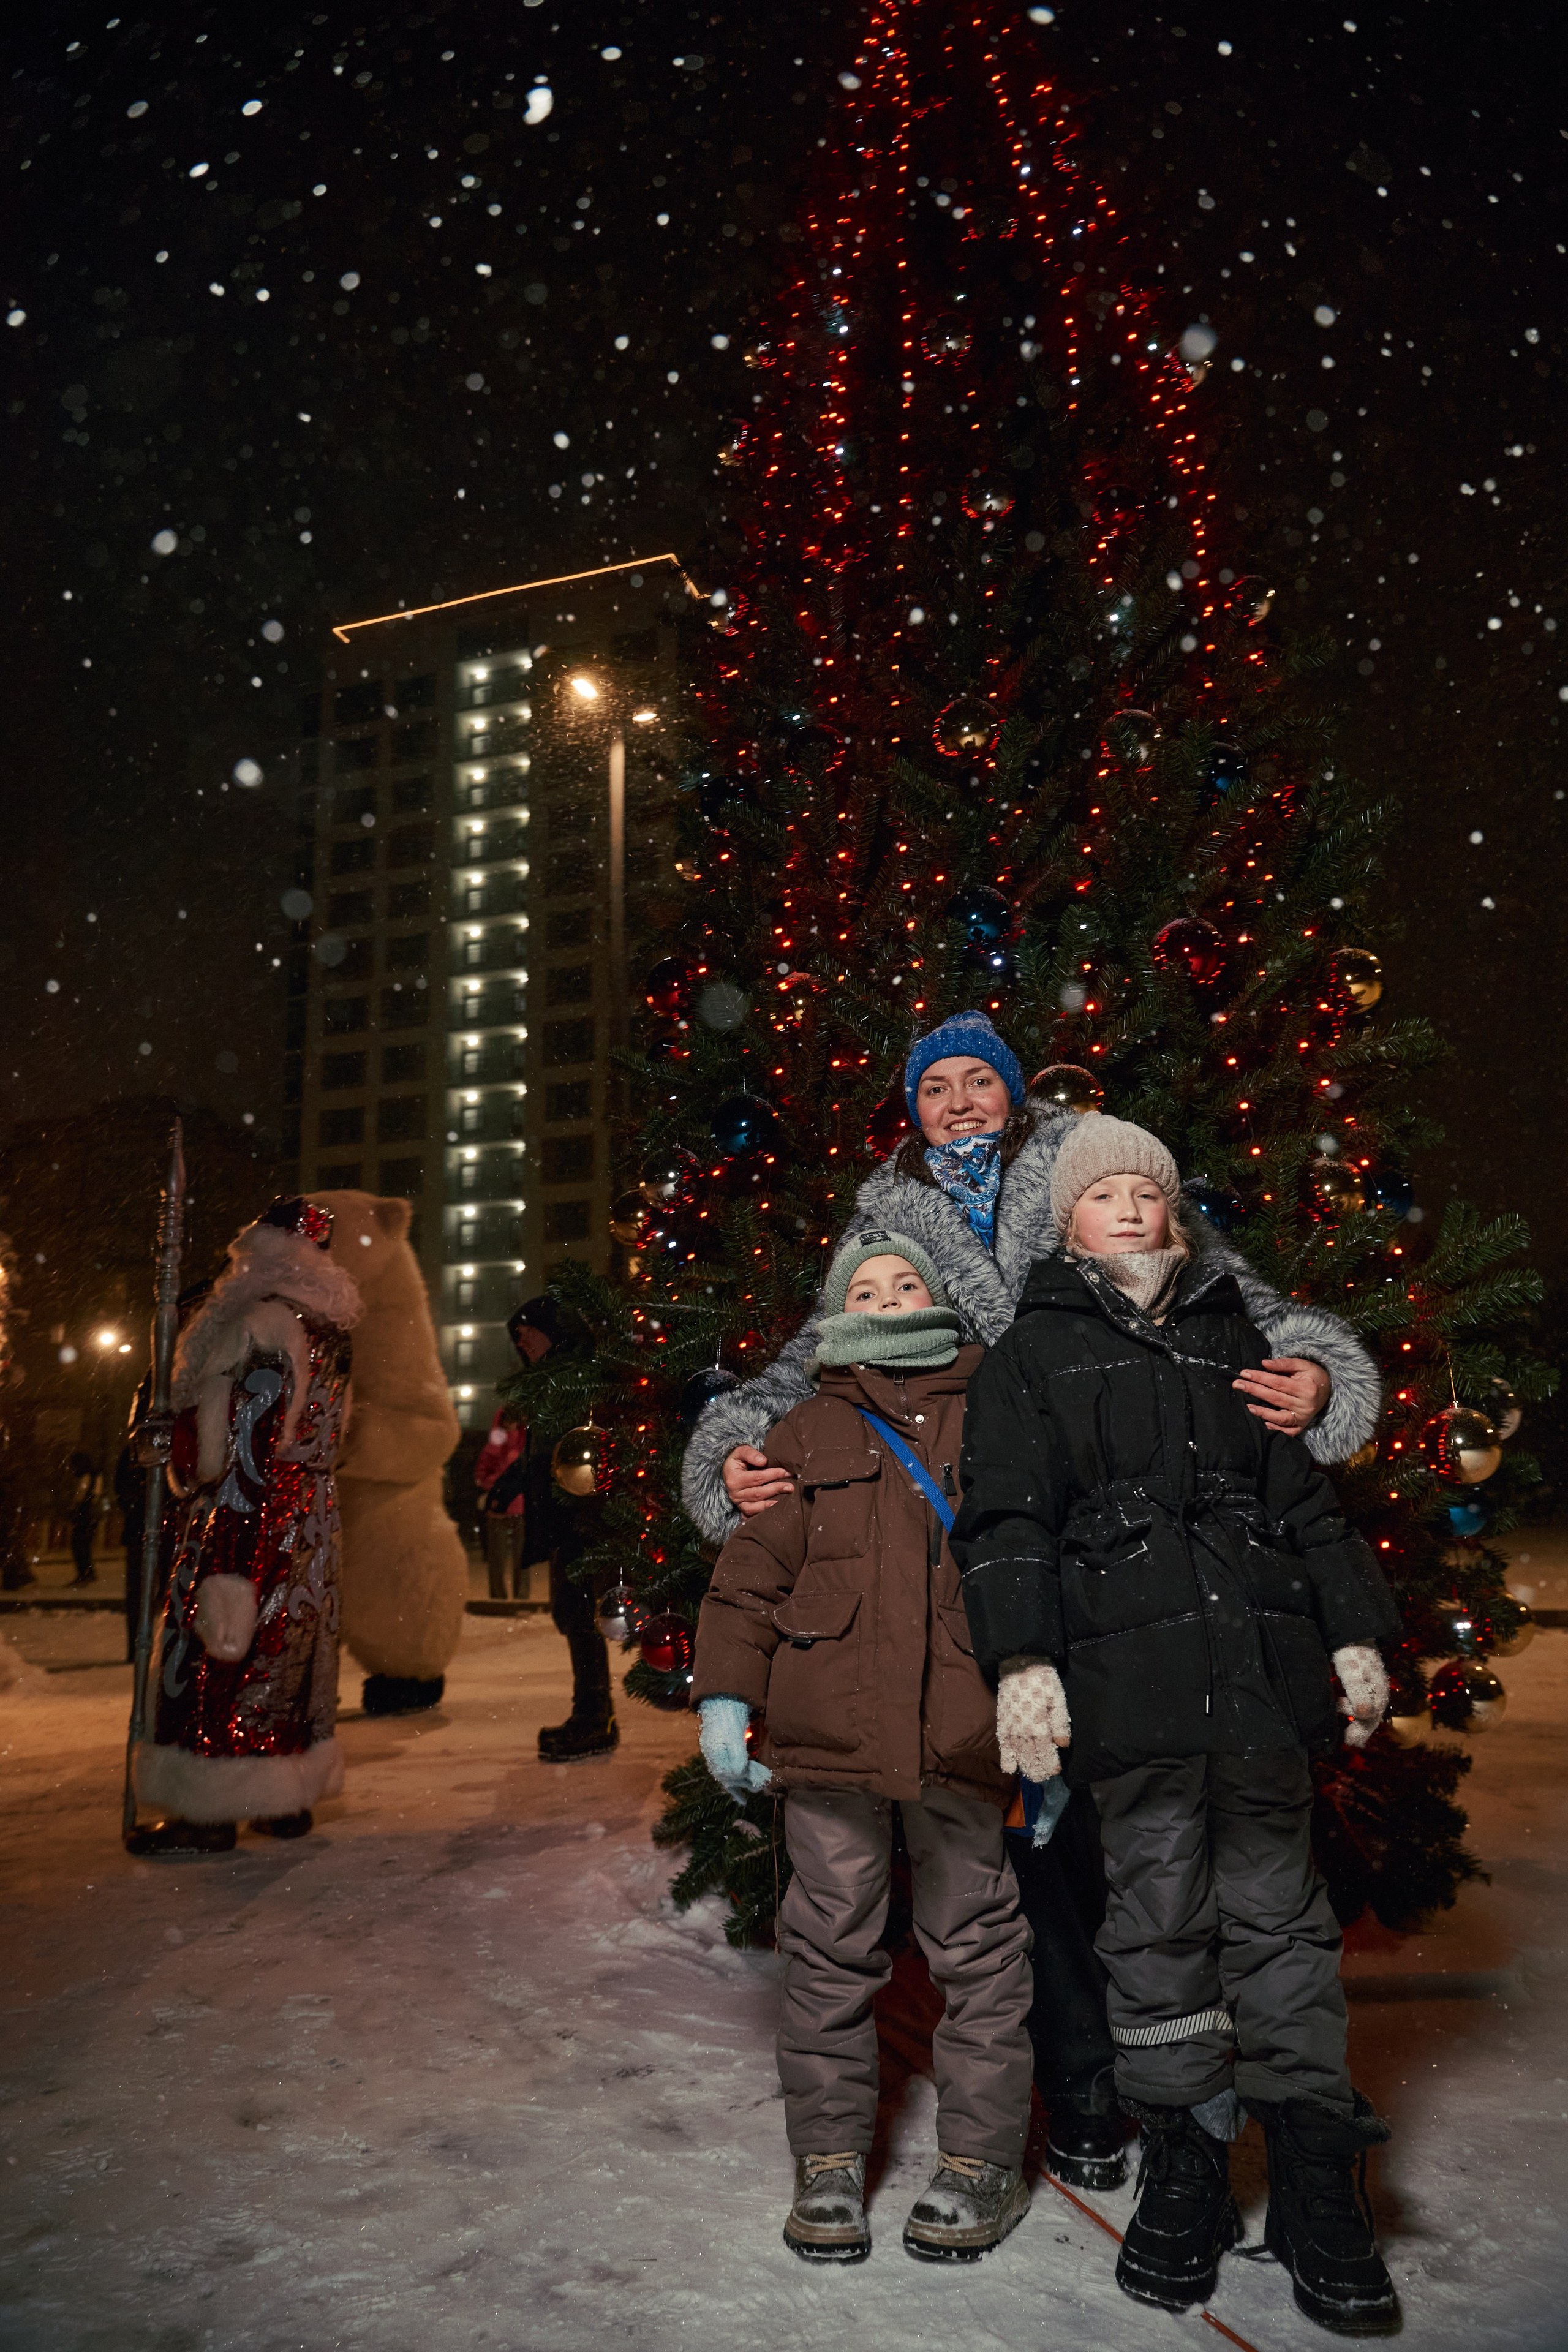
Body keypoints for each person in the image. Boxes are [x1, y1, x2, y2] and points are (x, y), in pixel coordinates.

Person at [682, 1009, 1382, 2187]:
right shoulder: (891, 1212)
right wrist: (740, 1444)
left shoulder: (1092, 1168)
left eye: (979, 1080)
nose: (959, 1102)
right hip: (998, 1542)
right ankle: (1089, 2088)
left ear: (1014, 1091)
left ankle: (1194, 2101)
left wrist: (1316, 1371)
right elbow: (822, 1353)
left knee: (1149, 1831)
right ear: (913, 1108)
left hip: (1132, 1542)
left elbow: (1229, 1297)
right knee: (1031, 1853)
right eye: (936, 1087)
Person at [951, 1115, 1401, 2334]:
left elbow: (1303, 1503)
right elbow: (1006, 1518)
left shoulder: (1233, 1337)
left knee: (1280, 1917)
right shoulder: (1031, 1354)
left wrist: (1352, 1634)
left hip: (1258, 1686)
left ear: (1171, 1214)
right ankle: (1186, 2155)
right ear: (1068, 1224)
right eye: (1102, 1194)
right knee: (1154, 1920)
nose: (1128, 1208)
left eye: (1145, 1193)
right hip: (1131, 1693)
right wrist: (1024, 1661)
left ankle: (1314, 2169)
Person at [693, 1232, 1035, 2266]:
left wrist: (1050, 1721)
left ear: (940, 1301)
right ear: (839, 1314)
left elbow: (1036, 1561)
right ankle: (830, 2158)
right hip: (830, 1739)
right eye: (865, 1288)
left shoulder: (998, 1412)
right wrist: (725, 1698)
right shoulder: (804, 1429)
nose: (886, 1298)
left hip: (961, 1730)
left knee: (978, 1946)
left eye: (907, 1283)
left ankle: (981, 2160)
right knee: (828, 1947)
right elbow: (750, 1577)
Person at [130, 1197, 361, 1856]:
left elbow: (231, 1444)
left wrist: (172, 1442)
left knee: (220, 1649)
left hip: (246, 1512)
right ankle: (284, 1800)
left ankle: (210, 1809)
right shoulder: (331, 1331)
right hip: (311, 1517)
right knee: (290, 1652)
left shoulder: (256, 1322)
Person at [508, 1297, 617, 1761]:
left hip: (579, 1521)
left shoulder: (571, 1379)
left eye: (527, 1331)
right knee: (573, 1614)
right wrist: (514, 1481)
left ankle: (593, 1717)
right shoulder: (554, 1380)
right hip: (567, 1521)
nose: (521, 1342)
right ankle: (593, 1714)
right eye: (516, 1336)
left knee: (579, 1613)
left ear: (554, 1330)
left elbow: (574, 1452)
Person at [475, 1403, 529, 1599]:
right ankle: (515, 1594)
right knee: (511, 1556)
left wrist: (494, 1483)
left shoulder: (500, 1446)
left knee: (509, 1556)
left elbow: (481, 1476)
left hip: (512, 1507)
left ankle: (506, 1594)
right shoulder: (516, 1447)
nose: (510, 1424)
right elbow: (481, 1474)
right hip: (510, 1507)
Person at [67, 1451, 100, 1586]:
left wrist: (75, 1510)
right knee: (83, 1545)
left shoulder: (87, 1476)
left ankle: (85, 1573)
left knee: (80, 1545)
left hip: (85, 1516)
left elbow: (82, 1496)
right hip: (88, 1515)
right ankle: (87, 1573)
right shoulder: (93, 1475)